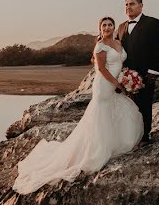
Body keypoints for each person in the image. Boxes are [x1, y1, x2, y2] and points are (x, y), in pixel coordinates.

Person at [12, 16, 143, 195]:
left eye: (109, 24)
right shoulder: (100, 46)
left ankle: (118, 141)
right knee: (102, 114)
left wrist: (126, 77)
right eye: (103, 25)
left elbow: (121, 62)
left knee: (119, 109)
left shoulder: (118, 44)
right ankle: (98, 149)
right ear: (99, 28)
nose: (107, 27)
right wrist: (118, 83)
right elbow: (102, 69)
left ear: (113, 27)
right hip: (105, 85)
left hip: (116, 81)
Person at [117, 0, 159, 144]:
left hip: (146, 73)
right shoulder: (121, 26)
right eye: (126, 5)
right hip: (126, 75)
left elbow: (157, 49)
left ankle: (145, 135)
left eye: (132, 4)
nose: (128, 7)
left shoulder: (152, 23)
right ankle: (131, 134)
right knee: (128, 106)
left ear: (141, 5)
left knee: (144, 104)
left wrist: (153, 71)